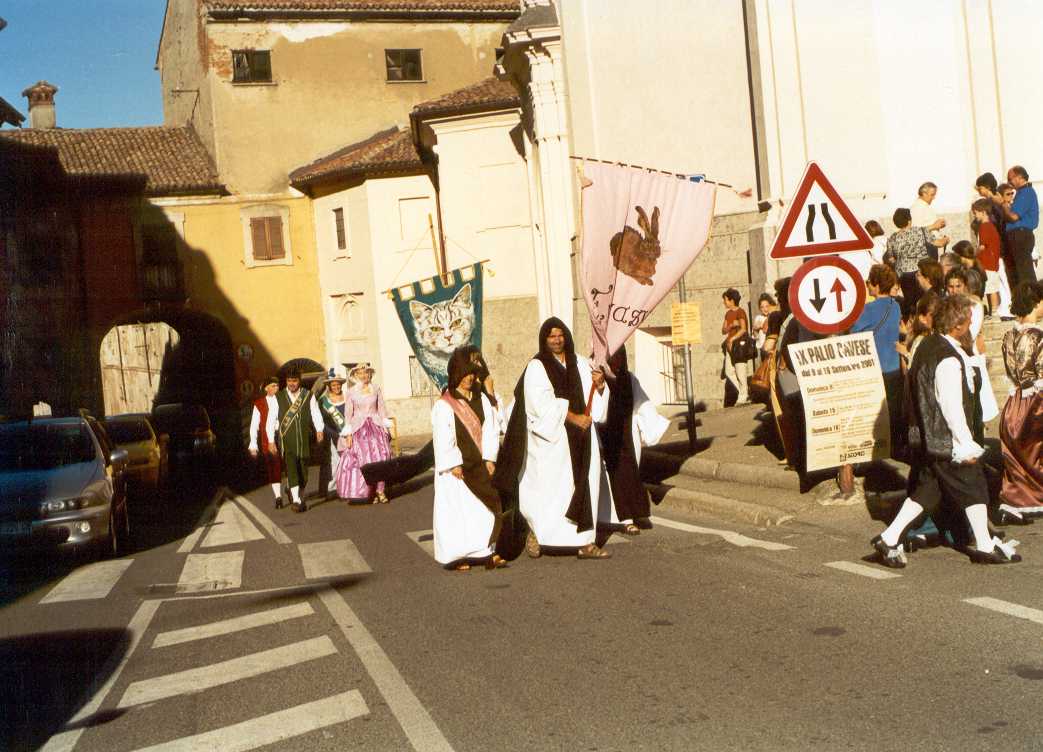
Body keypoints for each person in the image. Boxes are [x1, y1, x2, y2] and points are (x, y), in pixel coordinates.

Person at [872, 295, 1021, 567]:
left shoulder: (929, 346)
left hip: (929, 438)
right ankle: (985, 545)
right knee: (974, 485)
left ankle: (889, 538)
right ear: (959, 326)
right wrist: (964, 444)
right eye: (970, 321)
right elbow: (951, 407)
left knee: (927, 491)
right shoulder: (948, 358)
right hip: (944, 439)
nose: (974, 327)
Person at [492, 317, 612, 560]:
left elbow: (593, 393)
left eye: (560, 335)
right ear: (544, 340)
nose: (557, 340)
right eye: (552, 336)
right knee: (549, 490)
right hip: (552, 441)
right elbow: (541, 405)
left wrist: (599, 385)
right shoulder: (536, 367)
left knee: (584, 484)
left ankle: (585, 542)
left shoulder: (578, 361)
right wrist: (572, 417)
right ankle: (538, 534)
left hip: (582, 436)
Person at [431, 348, 505, 571]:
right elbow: (443, 436)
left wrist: (490, 458)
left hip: (479, 464)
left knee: (482, 510)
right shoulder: (445, 404)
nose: (469, 378)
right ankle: (457, 556)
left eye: (472, 373)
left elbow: (491, 429)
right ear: (455, 373)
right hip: (458, 468)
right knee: (458, 513)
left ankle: (485, 553)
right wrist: (453, 462)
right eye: (465, 373)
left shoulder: (481, 398)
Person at [597, 345, 670, 535]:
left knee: (628, 473)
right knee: (605, 476)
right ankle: (610, 518)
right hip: (602, 434)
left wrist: (648, 427)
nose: (615, 361)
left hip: (626, 434)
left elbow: (642, 404)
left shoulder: (629, 379)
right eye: (611, 357)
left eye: (618, 357)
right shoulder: (596, 377)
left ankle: (629, 516)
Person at [998, 282, 1043, 520]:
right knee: (1035, 450)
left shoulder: (1008, 336)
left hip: (1014, 401)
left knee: (1016, 455)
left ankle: (1015, 501)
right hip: (1035, 401)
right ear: (1037, 303)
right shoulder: (1038, 337)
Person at [851, 264, 904, 456]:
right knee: (893, 408)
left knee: (876, 413)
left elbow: (853, 332)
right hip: (894, 365)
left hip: (874, 367)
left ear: (875, 284)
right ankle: (896, 447)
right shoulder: (895, 305)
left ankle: (882, 449)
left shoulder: (867, 309)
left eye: (868, 283)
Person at [335, 363, 394, 503]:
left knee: (381, 457)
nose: (364, 375)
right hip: (359, 428)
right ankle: (369, 492)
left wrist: (386, 427)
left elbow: (381, 409)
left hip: (376, 426)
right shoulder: (351, 391)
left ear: (370, 374)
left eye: (366, 373)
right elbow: (348, 413)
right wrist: (349, 434)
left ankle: (381, 490)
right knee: (364, 459)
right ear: (355, 375)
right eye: (360, 373)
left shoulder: (376, 388)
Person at [275, 367, 324, 513]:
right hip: (286, 438)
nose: (292, 383)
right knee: (291, 465)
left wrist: (319, 429)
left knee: (303, 467)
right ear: (286, 381)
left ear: (299, 381)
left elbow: (315, 412)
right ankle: (296, 500)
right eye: (289, 381)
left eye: (294, 381)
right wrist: (271, 438)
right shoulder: (278, 397)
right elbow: (272, 417)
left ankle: (296, 493)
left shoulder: (308, 395)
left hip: (304, 437)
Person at [886, 208, 949, 309]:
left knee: (910, 302)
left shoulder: (892, 238)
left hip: (903, 275)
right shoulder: (921, 231)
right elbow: (939, 243)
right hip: (921, 272)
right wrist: (946, 239)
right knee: (925, 300)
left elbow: (891, 259)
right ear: (909, 220)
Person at [994, 166, 1039, 285]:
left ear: (1020, 177)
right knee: (1018, 274)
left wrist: (1002, 203)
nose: (1009, 182)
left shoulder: (1026, 192)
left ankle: (1031, 300)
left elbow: (1013, 217)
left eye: (1010, 179)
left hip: (1021, 234)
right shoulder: (1021, 193)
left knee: (1024, 274)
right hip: (1017, 235)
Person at [248, 376, 284, 508]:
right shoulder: (259, 403)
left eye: (277, 385)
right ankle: (278, 497)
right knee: (274, 467)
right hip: (267, 438)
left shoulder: (282, 400)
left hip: (283, 435)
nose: (276, 388)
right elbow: (254, 425)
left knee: (288, 463)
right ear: (266, 388)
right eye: (273, 386)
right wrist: (253, 444)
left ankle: (292, 490)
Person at [318, 366, 350, 499]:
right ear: (329, 386)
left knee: (350, 461)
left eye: (338, 384)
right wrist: (333, 433)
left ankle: (348, 486)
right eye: (333, 384)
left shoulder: (347, 397)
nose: (336, 386)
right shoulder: (323, 401)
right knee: (335, 462)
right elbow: (321, 421)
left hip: (348, 433)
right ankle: (334, 489)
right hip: (333, 435)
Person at [972, 198, 1005, 316]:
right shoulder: (990, 226)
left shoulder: (984, 227)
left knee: (991, 289)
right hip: (991, 262)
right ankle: (993, 311)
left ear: (983, 212)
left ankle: (995, 311)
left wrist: (973, 255)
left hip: (987, 262)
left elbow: (982, 246)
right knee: (991, 288)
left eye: (975, 213)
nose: (975, 215)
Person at [721, 288, 750, 406]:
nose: (724, 302)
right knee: (729, 372)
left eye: (725, 300)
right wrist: (732, 325)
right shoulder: (728, 313)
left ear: (731, 300)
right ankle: (744, 392)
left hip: (739, 346)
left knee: (740, 371)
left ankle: (743, 396)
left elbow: (744, 329)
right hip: (729, 346)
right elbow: (723, 330)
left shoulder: (740, 312)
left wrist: (732, 338)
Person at [910, 181, 948, 251]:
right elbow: (915, 231)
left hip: (933, 246)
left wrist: (939, 225)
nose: (934, 198)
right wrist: (934, 226)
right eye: (932, 195)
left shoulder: (925, 206)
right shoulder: (917, 208)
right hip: (926, 249)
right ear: (924, 194)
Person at [754, 294, 778, 360]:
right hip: (763, 349)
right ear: (759, 308)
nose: (765, 309)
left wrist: (762, 326)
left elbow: (766, 330)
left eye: (767, 306)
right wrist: (755, 329)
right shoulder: (758, 318)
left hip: (773, 347)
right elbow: (756, 336)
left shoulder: (774, 317)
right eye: (762, 307)